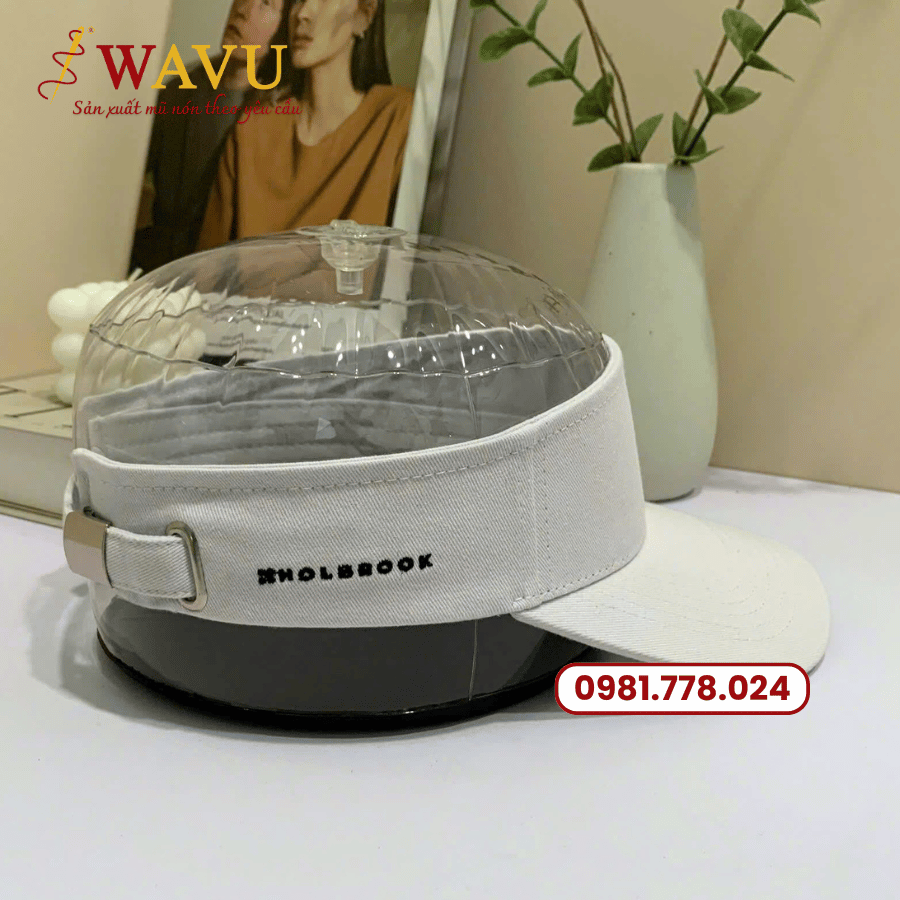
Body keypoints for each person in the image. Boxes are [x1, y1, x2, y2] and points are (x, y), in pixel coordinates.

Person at [195, 0, 414, 251]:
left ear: (364, 16)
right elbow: (207, 263)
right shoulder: (252, 131)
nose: (303, 14)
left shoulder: (397, 119)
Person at [131, 0, 285, 272]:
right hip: (159, 266)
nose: (244, 10)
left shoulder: (278, 116)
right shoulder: (181, 89)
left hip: (230, 273)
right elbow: (127, 179)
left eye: (265, 4)